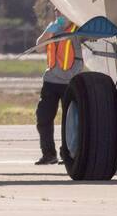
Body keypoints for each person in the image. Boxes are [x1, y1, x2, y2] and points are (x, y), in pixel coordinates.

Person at [34, 11, 84, 165]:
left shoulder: (78, 28)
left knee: (70, 120)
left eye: (61, 11)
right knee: (43, 117)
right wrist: (50, 31)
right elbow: (39, 48)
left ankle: (68, 153)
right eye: (56, 11)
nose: (58, 13)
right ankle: (49, 154)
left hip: (70, 82)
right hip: (50, 81)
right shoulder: (53, 28)